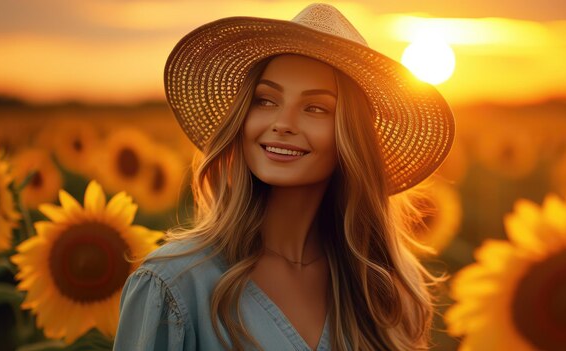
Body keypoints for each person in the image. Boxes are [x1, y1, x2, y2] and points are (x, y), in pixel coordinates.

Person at [113, 3, 454, 351]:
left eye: (316, 108)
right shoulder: (174, 285)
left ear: (352, 137)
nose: (283, 123)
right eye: (266, 100)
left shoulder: (381, 290)